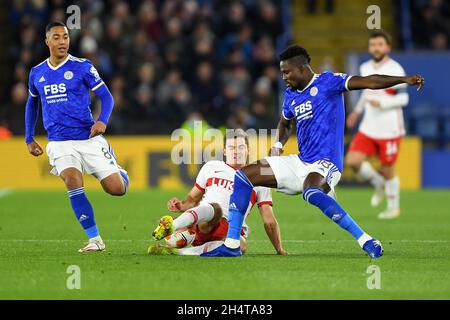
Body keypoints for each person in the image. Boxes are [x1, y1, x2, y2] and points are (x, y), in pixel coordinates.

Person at [201, 44, 424, 258]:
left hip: (326, 163)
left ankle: (366, 240)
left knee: (312, 191)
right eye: (282, 73)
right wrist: (278, 144)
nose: (284, 77)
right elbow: (285, 123)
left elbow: (369, 82)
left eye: (287, 72)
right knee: (243, 177)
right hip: (299, 163)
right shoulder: (291, 95)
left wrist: (404, 80)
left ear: (301, 68)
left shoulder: (329, 82)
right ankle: (231, 246)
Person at [25, 22, 129, 252]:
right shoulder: (37, 73)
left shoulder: (82, 66)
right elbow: (32, 104)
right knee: (72, 180)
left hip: (87, 138)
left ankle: (119, 171)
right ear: (47, 41)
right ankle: (95, 240)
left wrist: (102, 120)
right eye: (57, 37)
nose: (62, 41)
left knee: (116, 189)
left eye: (65, 37)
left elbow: (107, 97)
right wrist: (29, 137)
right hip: (59, 142)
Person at [148, 129, 287, 256]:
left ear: (248, 150)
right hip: (204, 222)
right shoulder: (211, 166)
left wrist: (279, 249)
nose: (236, 151)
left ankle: (179, 252)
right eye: (232, 147)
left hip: (230, 229)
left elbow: (269, 220)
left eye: (240, 147)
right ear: (225, 151)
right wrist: (181, 205)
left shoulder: (259, 178)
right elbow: (191, 199)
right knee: (215, 208)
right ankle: (173, 226)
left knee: (240, 246)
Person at [346, 31, 408, 219]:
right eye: (373, 45)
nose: (376, 48)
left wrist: (382, 103)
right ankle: (378, 183)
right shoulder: (365, 67)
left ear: (387, 47)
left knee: (388, 168)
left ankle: (393, 207)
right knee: (353, 161)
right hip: (368, 127)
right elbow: (366, 93)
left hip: (389, 129)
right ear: (369, 48)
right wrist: (356, 111)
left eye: (380, 44)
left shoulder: (396, 69)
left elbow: (404, 98)